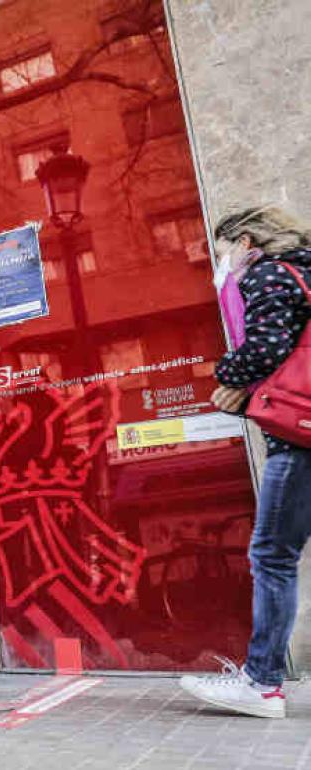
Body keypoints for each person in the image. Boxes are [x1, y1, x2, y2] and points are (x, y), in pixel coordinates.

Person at [179, 206, 311, 719]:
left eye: (223, 252)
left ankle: (261, 684)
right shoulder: (304, 270)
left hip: (298, 438)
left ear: (246, 241)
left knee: (273, 556)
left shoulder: (269, 273)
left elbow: (266, 347)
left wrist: (225, 374)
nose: (223, 264)